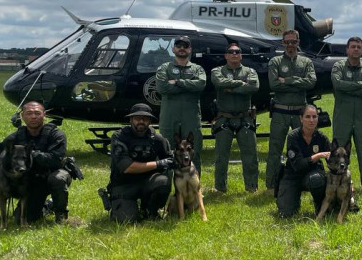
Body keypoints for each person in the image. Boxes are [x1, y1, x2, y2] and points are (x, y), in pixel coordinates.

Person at [0, 100, 72, 223]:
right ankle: (47, 206)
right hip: (31, 180)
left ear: (44, 115)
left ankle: (61, 215)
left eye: (37, 113)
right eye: (29, 113)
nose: (33, 116)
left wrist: (31, 154)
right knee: (22, 219)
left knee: (58, 179)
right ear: (23, 116)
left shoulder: (56, 135)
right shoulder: (16, 137)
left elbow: (55, 160)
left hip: (52, 173)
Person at [265, 29, 316, 191]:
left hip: (300, 115)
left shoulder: (306, 62)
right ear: (282, 43)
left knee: (303, 149)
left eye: (293, 42)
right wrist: (297, 84)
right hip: (280, 113)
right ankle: (271, 185)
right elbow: (274, 85)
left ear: (298, 42)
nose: (290, 45)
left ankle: (305, 183)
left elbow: (311, 83)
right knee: (275, 149)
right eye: (287, 42)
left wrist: (287, 80)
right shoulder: (275, 61)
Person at [107, 103, 174, 223]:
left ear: (150, 121)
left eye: (145, 118)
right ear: (131, 119)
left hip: (147, 182)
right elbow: (127, 167)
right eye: (137, 118)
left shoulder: (157, 138)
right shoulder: (120, 137)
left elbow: (171, 159)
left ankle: (150, 210)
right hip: (124, 184)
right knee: (128, 220)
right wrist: (159, 164)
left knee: (163, 182)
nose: (141, 121)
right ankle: (120, 207)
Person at [331, 36, 362, 191]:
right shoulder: (338, 67)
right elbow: (338, 84)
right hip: (342, 118)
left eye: (358, 47)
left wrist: (348, 90)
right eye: (353, 46)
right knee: (338, 154)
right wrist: (360, 85)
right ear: (347, 49)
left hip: (361, 119)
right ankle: (338, 183)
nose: (356, 49)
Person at [211, 43, 260, 193]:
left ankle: (251, 187)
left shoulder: (250, 71)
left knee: (250, 156)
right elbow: (218, 83)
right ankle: (220, 187)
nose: (234, 54)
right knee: (221, 157)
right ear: (226, 55)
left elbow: (253, 87)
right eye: (231, 52)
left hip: (245, 118)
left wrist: (229, 88)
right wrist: (240, 83)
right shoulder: (217, 71)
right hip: (223, 118)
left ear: (241, 55)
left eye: (237, 52)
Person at [155, 35, 206, 170]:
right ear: (173, 48)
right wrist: (189, 87)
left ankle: (194, 189)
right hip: (169, 117)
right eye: (179, 46)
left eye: (185, 46)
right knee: (166, 153)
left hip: (191, 118)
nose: (182, 48)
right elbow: (162, 87)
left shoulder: (197, 69)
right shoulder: (164, 68)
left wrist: (178, 82)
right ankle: (167, 187)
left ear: (190, 49)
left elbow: (200, 85)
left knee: (194, 153)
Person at [275, 105, 331, 218]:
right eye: (308, 117)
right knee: (286, 213)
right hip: (293, 175)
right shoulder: (293, 137)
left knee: (316, 179)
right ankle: (293, 198)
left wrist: (348, 182)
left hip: (312, 174)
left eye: (314, 117)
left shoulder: (322, 138)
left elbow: (335, 161)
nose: (311, 120)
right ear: (301, 118)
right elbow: (298, 165)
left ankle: (319, 205)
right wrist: (318, 155)